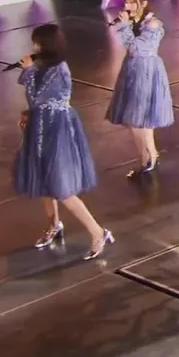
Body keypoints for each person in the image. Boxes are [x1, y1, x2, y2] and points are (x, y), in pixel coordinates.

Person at [14, 24, 113, 260]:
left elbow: (37, 97)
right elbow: (35, 100)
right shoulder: (45, 66)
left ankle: (98, 232)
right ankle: (54, 225)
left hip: (56, 128)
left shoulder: (58, 70)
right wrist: (28, 112)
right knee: (43, 181)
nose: (34, 47)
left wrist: (28, 71)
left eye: (37, 43)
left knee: (61, 187)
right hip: (41, 125)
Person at [105, 0, 175, 178]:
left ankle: (148, 157)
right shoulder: (134, 22)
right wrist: (126, 25)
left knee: (137, 119)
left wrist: (124, 27)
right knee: (140, 118)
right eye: (126, 2)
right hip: (132, 69)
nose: (127, 6)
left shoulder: (152, 24)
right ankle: (149, 157)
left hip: (146, 71)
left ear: (143, 3)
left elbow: (137, 49)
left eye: (132, 2)